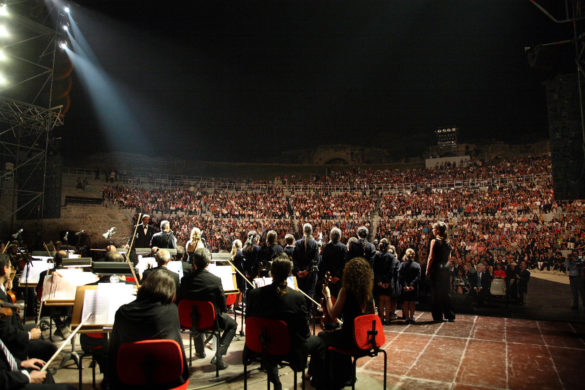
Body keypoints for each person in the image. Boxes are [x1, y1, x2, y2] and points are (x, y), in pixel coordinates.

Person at [245, 255, 319, 390]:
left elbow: (248, 321)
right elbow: (305, 332)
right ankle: (315, 379)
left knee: (270, 338)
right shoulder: (297, 297)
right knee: (320, 341)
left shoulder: (253, 294)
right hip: (289, 349)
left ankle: (273, 373)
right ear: (289, 274)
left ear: (271, 273)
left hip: (260, 345)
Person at [108, 269, 189, 389]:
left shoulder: (122, 312)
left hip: (128, 377)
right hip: (168, 376)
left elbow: (114, 348)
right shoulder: (172, 310)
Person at [308, 257, 376, 389]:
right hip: (365, 339)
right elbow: (374, 317)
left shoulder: (345, 291)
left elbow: (333, 313)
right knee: (333, 336)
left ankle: (312, 374)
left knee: (322, 337)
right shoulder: (369, 294)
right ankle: (346, 375)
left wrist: (327, 295)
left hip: (349, 339)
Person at [179, 248, 236, 369]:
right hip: (211, 321)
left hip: (188, 320)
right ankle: (218, 356)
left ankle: (200, 352)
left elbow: (181, 301)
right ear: (208, 262)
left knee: (195, 313)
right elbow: (223, 307)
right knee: (232, 325)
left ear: (194, 263)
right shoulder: (215, 280)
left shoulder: (184, 280)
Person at [0, 256, 56, 363]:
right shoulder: (1, 296)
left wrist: (7, 289)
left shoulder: (3, 289)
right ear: (4, 269)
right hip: (10, 343)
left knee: (36, 327)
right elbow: (6, 332)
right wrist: (29, 335)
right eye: (10, 267)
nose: (12, 270)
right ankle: (29, 369)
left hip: (14, 329)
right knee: (50, 348)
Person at [425, 221, 455, 322]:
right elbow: (449, 258)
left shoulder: (434, 241)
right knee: (446, 293)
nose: (432, 230)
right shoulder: (448, 242)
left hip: (436, 269)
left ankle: (438, 316)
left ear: (437, 230)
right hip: (445, 270)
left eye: (433, 229)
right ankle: (449, 314)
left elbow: (431, 257)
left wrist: (427, 270)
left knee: (436, 294)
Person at [292, 223, 320, 311]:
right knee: (309, 294)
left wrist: (298, 271)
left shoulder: (297, 243)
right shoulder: (315, 244)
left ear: (303, 231)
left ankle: (300, 314)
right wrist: (307, 271)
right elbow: (315, 260)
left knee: (300, 294)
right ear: (311, 231)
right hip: (310, 274)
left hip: (299, 274)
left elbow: (294, 260)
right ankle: (308, 314)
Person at [373, 238, 399, 324]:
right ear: (388, 246)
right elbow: (391, 270)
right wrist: (387, 282)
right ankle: (387, 318)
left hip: (379, 281)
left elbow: (375, 270)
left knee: (380, 301)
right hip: (388, 281)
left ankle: (380, 318)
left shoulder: (376, 256)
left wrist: (380, 281)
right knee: (387, 301)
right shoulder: (391, 256)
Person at [319, 227, 347, 298]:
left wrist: (328, 276)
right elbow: (344, 264)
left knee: (328, 297)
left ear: (330, 236)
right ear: (339, 236)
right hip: (339, 278)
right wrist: (338, 276)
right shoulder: (343, 247)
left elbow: (323, 263)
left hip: (328, 277)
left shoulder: (325, 247)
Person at [399, 248, 421, 324]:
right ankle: (411, 317)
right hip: (413, 287)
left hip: (405, 287)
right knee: (412, 302)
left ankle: (407, 318)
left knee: (405, 302)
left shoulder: (402, 265)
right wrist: (412, 285)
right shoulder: (417, 265)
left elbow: (401, 276)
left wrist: (405, 286)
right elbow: (418, 277)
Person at [230, 239, 246, 307]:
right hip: (240, 273)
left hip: (235, 273)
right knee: (240, 290)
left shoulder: (233, 252)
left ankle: (236, 304)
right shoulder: (240, 253)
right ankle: (237, 304)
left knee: (237, 290)